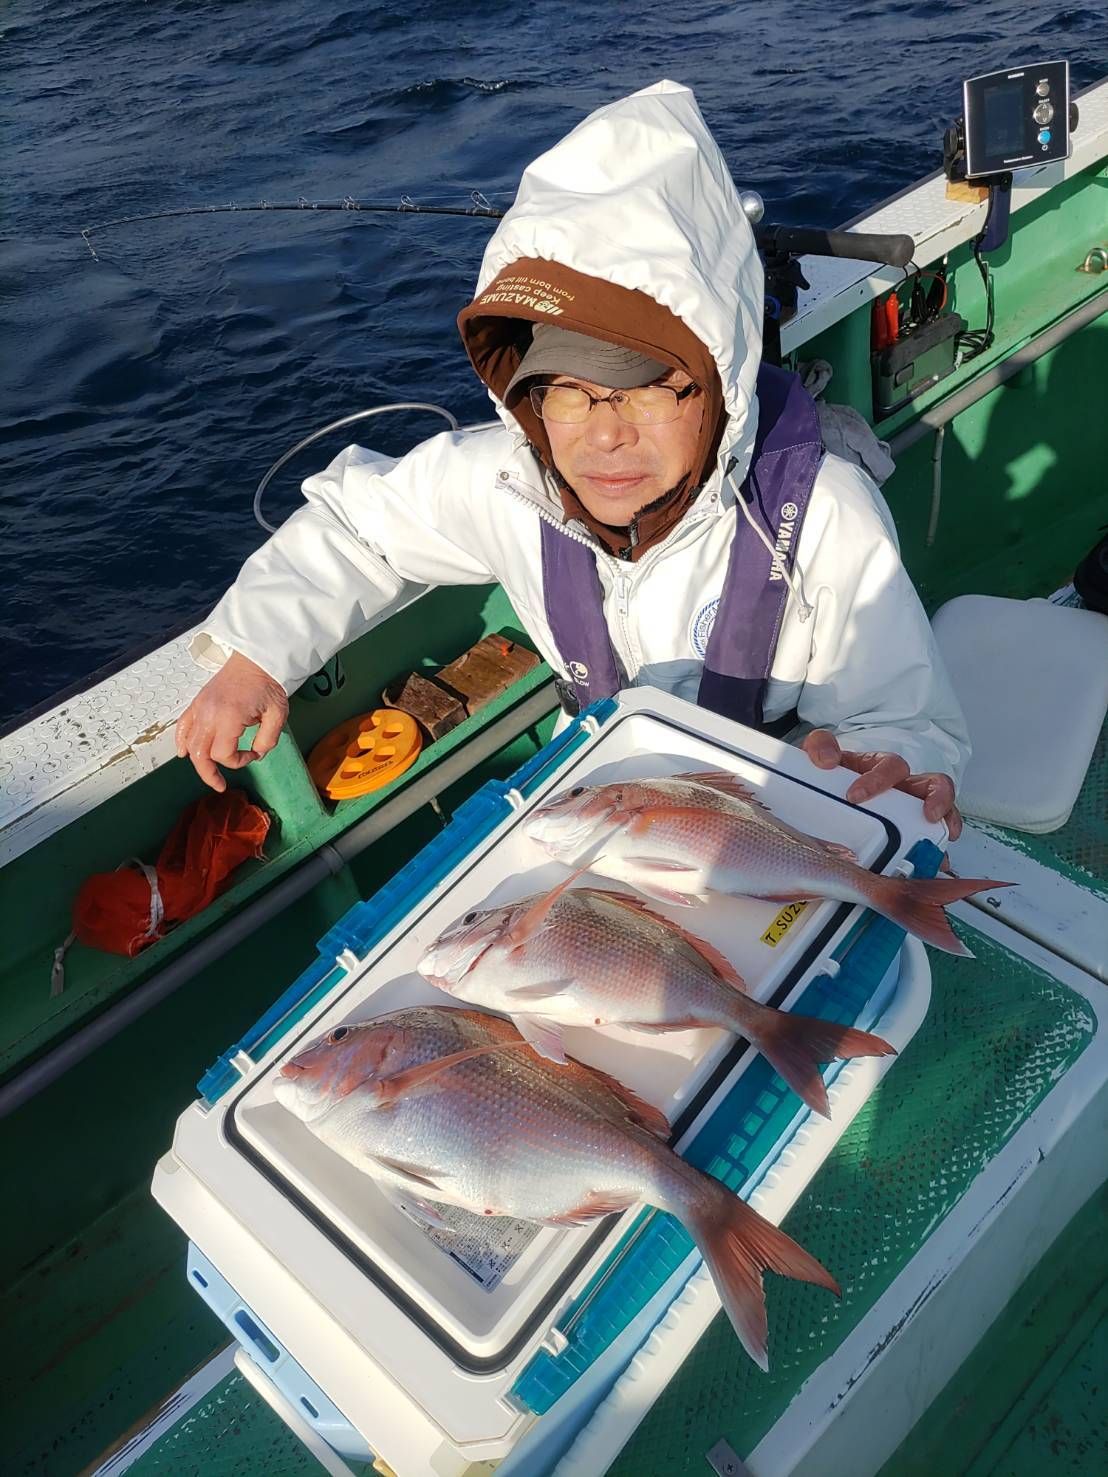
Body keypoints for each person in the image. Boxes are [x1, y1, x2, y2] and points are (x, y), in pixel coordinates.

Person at [177, 81, 969, 838]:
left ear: (716, 387)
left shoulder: (826, 514)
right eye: (567, 391)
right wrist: (258, 655)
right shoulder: (506, 485)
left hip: (780, 806)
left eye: (648, 389)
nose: (605, 435)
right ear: (527, 398)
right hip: (600, 793)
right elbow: (362, 524)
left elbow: (904, 722)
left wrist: (893, 766)